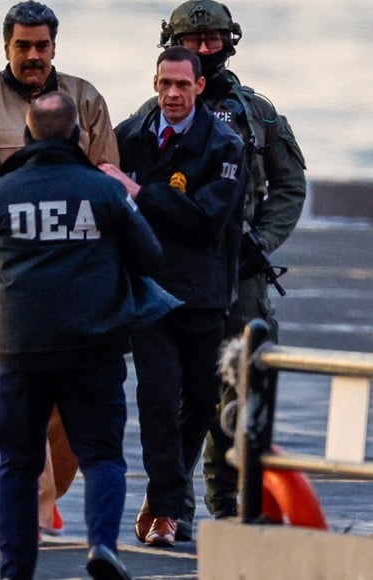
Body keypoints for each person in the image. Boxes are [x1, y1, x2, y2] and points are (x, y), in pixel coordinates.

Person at [0, 91, 169, 580]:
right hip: (92, 346)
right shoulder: (105, 192)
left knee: (17, 462)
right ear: (78, 135)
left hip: (17, 348)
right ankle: (101, 545)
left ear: (28, 135)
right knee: (102, 457)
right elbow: (151, 257)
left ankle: (15, 568)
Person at [0, 0, 120, 538]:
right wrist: (11, 193)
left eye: (41, 46)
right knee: (12, 388)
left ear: (54, 47)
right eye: (22, 46)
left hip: (76, 266)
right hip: (4, 270)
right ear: (6, 48)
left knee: (71, 400)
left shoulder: (84, 98)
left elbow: (109, 173)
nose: (32, 56)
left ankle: (52, 492)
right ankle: (36, 505)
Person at [155, 0, 307, 524]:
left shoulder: (258, 114)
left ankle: (226, 502)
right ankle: (172, 506)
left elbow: (289, 185)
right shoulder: (154, 114)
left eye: (213, 40)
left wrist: (262, 241)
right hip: (181, 274)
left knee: (241, 388)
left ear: (230, 41)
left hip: (240, 273)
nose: (203, 49)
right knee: (181, 392)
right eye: (192, 42)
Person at [99, 46, 245, 547]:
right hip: (149, 288)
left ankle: (167, 488)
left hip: (203, 292)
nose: (173, 94)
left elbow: (206, 220)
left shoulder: (224, 144)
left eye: (183, 85)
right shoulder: (132, 136)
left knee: (201, 402)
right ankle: (164, 509)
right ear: (155, 82)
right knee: (158, 398)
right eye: (165, 83)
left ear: (200, 86)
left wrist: (143, 195)